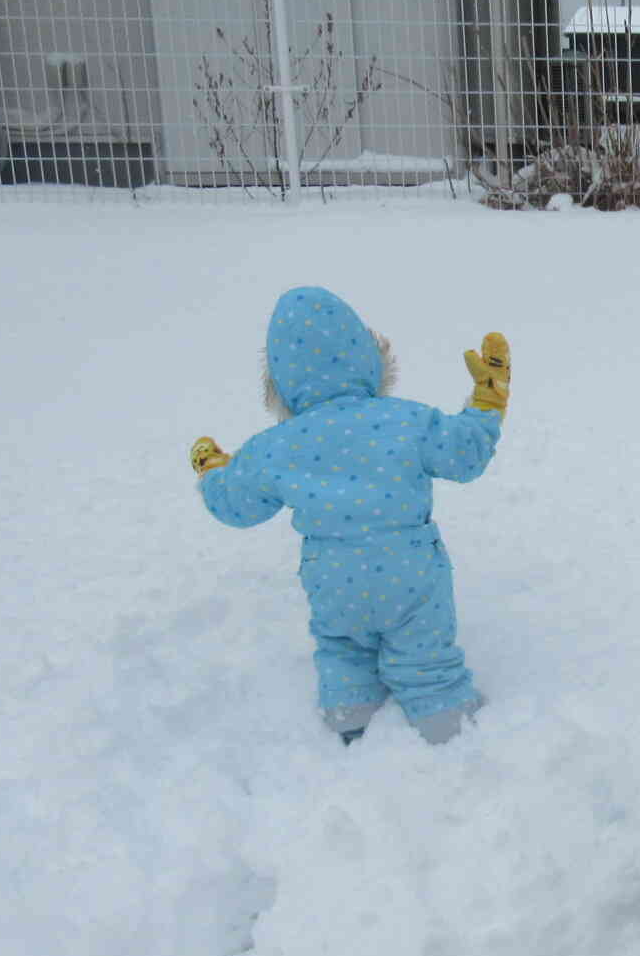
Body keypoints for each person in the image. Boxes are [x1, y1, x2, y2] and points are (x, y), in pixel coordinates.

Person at [189, 286, 508, 745]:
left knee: (344, 650)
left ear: (279, 382)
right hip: (411, 570)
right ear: (370, 358)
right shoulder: (405, 419)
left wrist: (215, 472)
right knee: (424, 652)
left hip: (333, 578)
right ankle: (445, 719)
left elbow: (235, 505)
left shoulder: (279, 446)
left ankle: (349, 708)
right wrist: (488, 400)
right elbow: (466, 453)